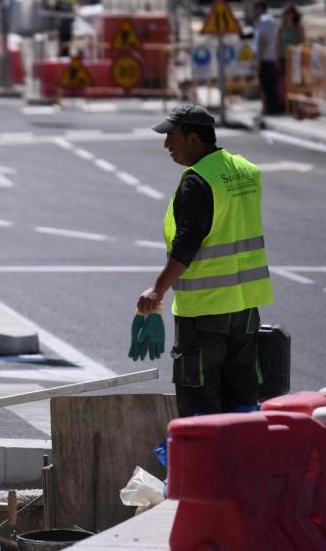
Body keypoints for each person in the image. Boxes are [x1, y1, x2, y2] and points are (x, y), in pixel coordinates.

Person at [137, 104, 274, 418]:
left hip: (204, 312)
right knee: (242, 397)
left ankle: (206, 465)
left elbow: (186, 246)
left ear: (194, 137)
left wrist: (157, 290)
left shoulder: (197, 181)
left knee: (201, 401)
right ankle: (243, 462)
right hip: (245, 309)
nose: (166, 145)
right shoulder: (246, 171)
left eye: (172, 137)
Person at [253, 1, 283, 116]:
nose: (253, 12)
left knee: (266, 86)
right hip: (271, 58)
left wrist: (259, 61)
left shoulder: (264, 21)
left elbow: (263, 41)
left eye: (255, 9)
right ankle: (272, 108)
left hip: (265, 59)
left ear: (260, 8)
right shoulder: (270, 20)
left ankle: (270, 109)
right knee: (271, 85)